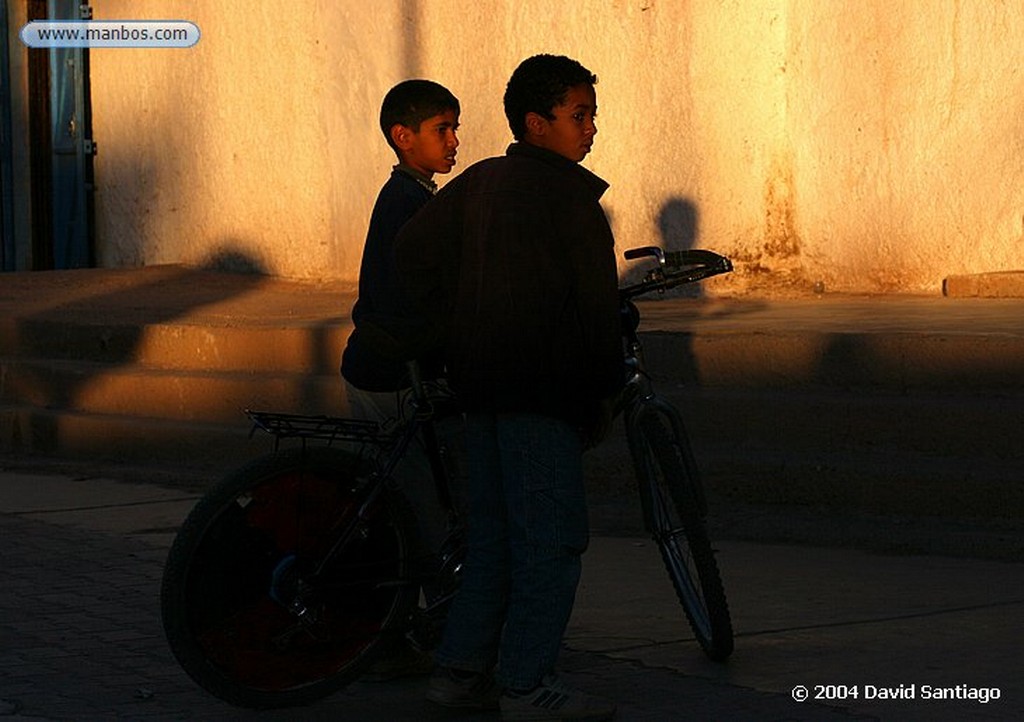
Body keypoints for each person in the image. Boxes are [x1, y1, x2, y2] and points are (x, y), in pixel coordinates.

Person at [395, 54, 622, 721]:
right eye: (579, 116)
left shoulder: (481, 183)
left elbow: (411, 256)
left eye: (591, 116)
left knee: (494, 537)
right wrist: (601, 396)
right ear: (536, 123)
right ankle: (525, 684)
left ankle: (459, 671)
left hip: (479, 391)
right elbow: (597, 315)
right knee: (549, 541)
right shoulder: (570, 199)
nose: (590, 130)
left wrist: (454, 326)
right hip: (540, 396)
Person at [339, 79, 461, 679]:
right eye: (443, 130)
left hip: (382, 365)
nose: (455, 141)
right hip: (389, 376)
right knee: (417, 511)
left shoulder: (412, 197)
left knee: (406, 504)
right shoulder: (408, 204)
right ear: (402, 136)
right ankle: (410, 633)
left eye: (454, 128)